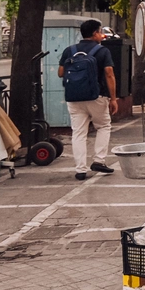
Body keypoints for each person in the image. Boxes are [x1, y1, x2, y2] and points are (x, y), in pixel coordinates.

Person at [58, 19, 117, 180]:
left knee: (78, 132)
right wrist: (113, 98)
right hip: (97, 96)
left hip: (74, 98)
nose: (102, 35)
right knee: (103, 126)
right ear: (94, 33)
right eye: (100, 31)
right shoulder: (102, 51)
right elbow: (109, 74)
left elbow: (61, 72)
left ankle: (80, 169)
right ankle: (99, 160)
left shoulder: (69, 51)